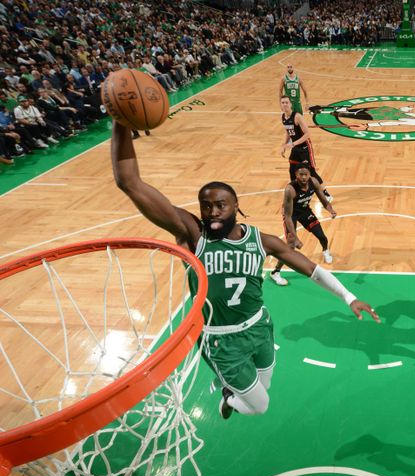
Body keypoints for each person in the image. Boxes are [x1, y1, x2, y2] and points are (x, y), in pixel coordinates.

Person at [110, 122, 379, 419]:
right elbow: (129, 182)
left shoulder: (262, 241)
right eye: (206, 206)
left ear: (236, 206)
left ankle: (232, 391)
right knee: (260, 405)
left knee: (265, 384)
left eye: (220, 205)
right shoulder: (193, 234)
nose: (212, 212)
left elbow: (312, 270)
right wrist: (121, 122)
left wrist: (349, 297)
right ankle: (229, 397)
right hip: (221, 339)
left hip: (260, 327)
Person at [269, 164, 336, 285]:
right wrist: (295, 238)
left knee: (322, 236)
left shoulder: (314, 182)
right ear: (296, 175)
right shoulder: (290, 190)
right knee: (290, 246)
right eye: (301, 174)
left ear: (310, 174)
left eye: (306, 174)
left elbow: (323, 200)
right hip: (292, 214)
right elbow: (288, 216)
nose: (304, 177)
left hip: (305, 211)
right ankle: (275, 272)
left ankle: (325, 250)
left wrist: (330, 209)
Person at [280, 96, 331, 201]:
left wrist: (293, 144)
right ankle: (296, 193)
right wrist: (284, 145)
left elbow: (308, 134)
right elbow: (288, 132)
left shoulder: (297, 116)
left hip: (304, 148)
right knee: (292, 169)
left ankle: (326, 194)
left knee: (311, 172)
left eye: (286, 102)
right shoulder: (283, 117)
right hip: (296, 148)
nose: (284, 104)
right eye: (282, 103)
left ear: (290, 104)